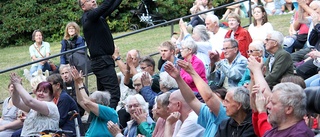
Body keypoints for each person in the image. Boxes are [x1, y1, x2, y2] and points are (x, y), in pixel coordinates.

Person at [164, 60, 228, 136]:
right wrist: (178, 78)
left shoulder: (225, 117)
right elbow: (192, 99)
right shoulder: (210, 115)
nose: (210, 104)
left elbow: (209, 98)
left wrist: (192, 72)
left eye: (217, 100)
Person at [78, 0, 122, 109]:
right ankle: (109, 123)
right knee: (114, 95)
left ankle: (96, 122)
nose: (93, 0)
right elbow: (106, 5)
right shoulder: (89, 16)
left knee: (103, 97)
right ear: (83, 7)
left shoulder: (96, 18)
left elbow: (112, 5)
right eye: (88, 0)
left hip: (102, 62)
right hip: (102, 62)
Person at [70, 67, 119, 136]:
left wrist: (80, 84)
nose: (89, 105)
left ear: (101, 104)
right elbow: (80, 100)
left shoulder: (110, 112)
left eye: (92, 102)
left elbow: (86, 102)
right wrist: (76, 82)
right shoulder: (96, 114)